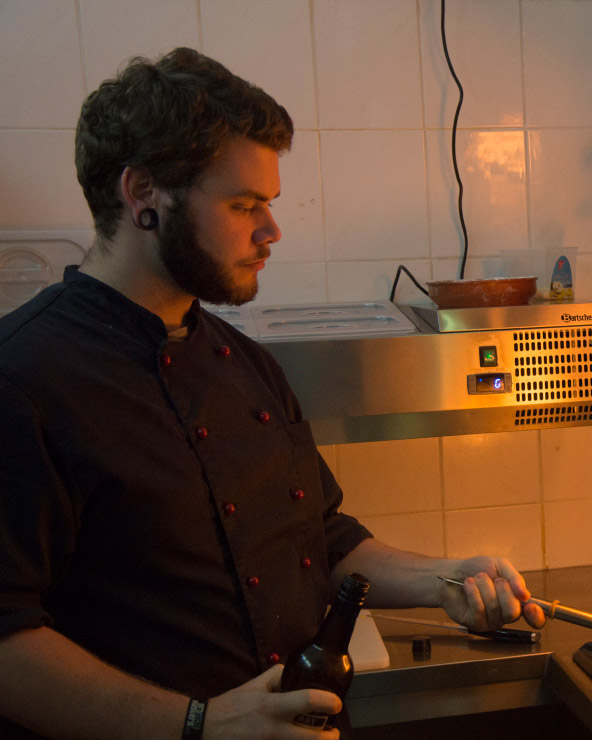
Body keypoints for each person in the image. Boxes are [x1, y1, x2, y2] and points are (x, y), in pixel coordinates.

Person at [0, 47, 545, 740]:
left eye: (269, 204)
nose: (271, 231)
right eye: (243, 205)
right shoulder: (25, 377)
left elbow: (322, 539)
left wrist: (446, 581)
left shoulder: (246, 365)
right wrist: (200, 725)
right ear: (142, 195)